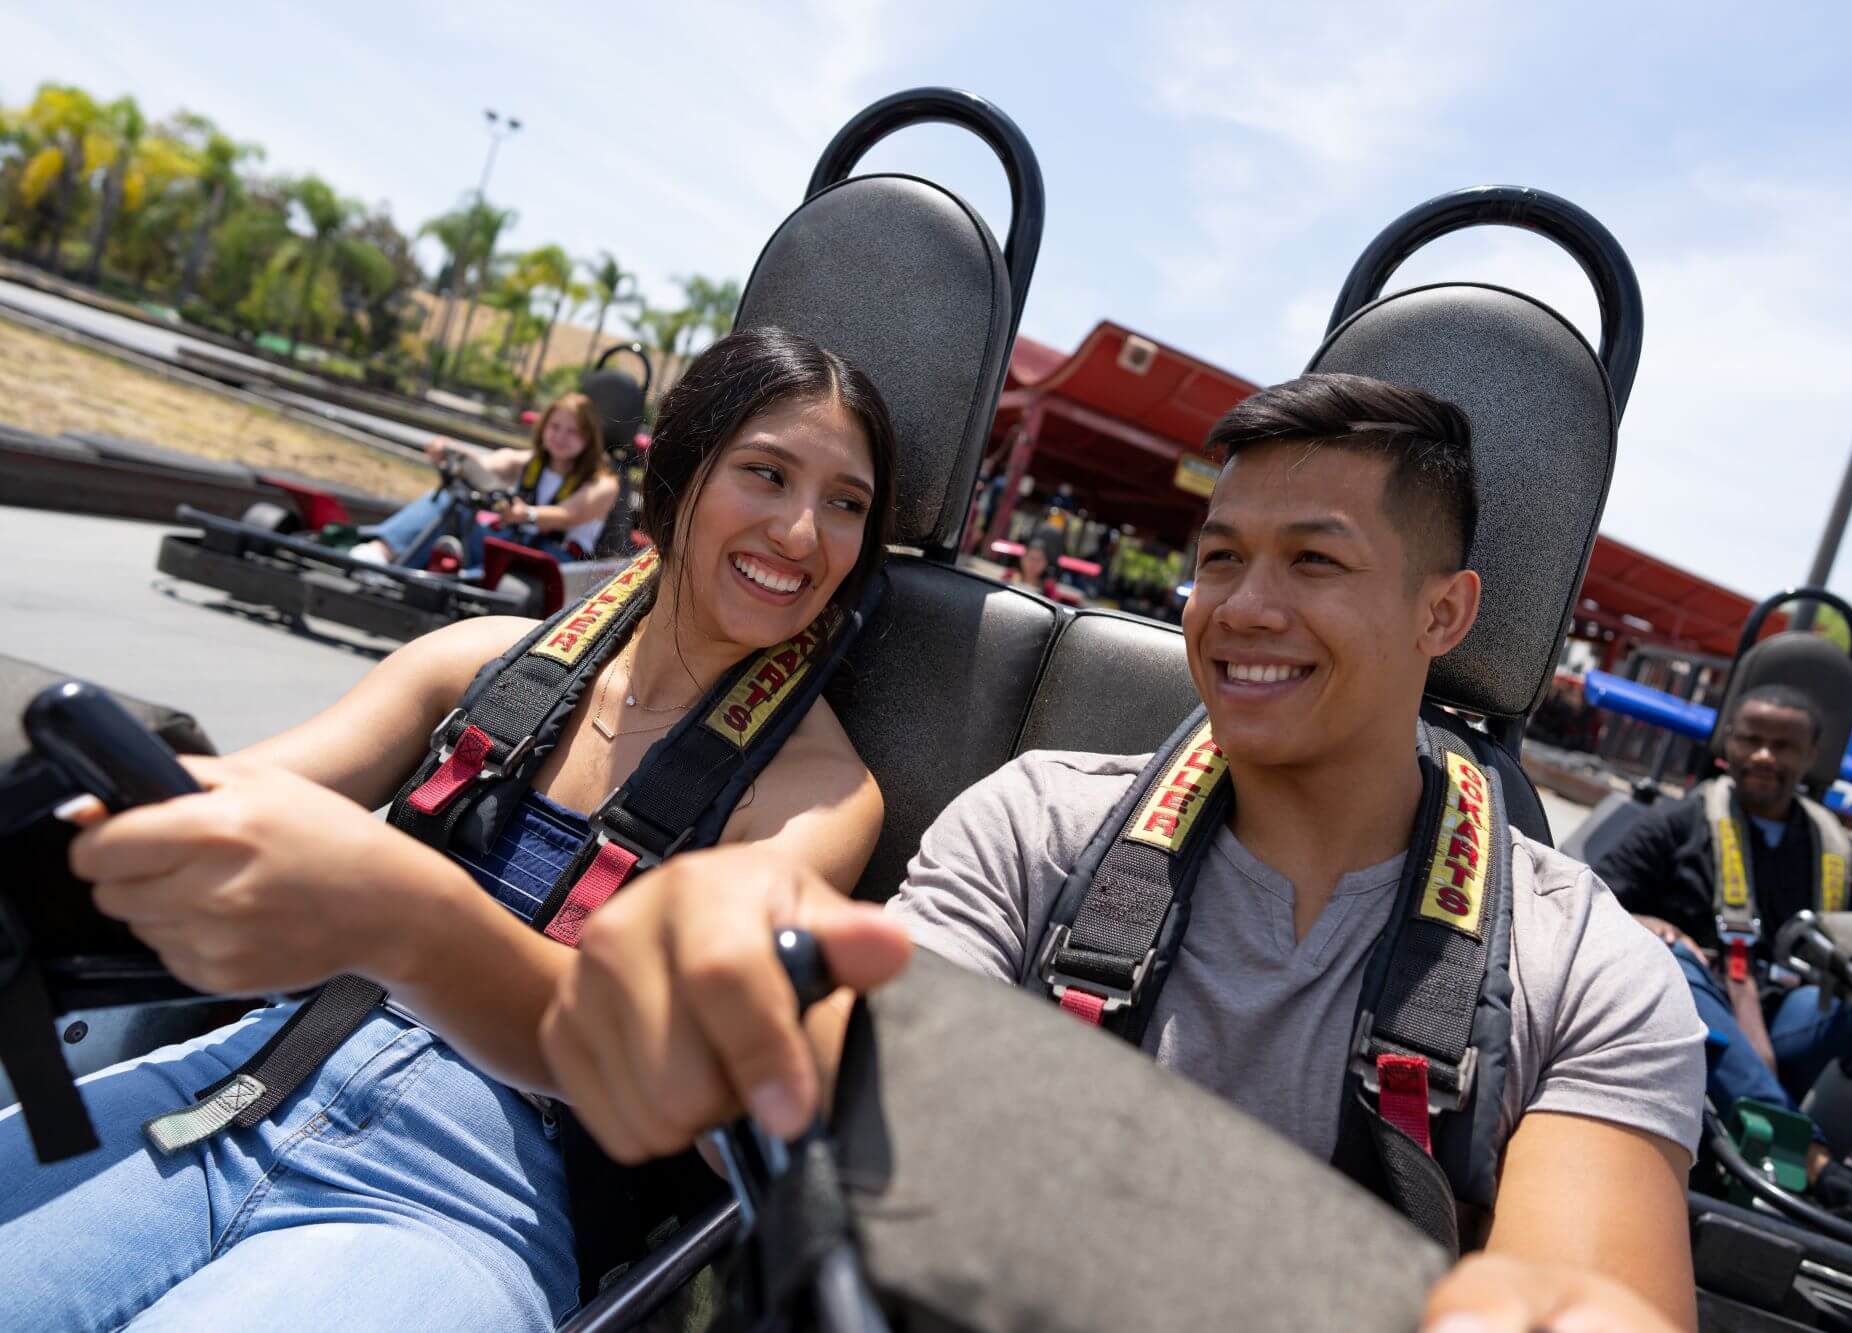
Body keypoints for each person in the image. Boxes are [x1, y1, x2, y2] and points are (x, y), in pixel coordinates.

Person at [538, 373, 1710, 1331]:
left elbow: (1591, 1299)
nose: (1242, 606)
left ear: (1443, 616)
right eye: (1218, 558)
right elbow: (861, 1094)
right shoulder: (1037, 826)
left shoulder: (1583, 973)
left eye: (1313, 562)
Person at [0, 328, 898, 1331]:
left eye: (845, 503)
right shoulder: (478, 658)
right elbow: (229, 798)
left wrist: (401, 911)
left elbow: (657, 1051)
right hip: (241, 1085)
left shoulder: (818, 796)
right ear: (678, 477)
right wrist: (77, 802)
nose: (801, 532)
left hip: (464, 1206)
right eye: (766, 475)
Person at [1595, 685, 1852, 1257]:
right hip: (1700, 1023)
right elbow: (1587, 900)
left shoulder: (1842, 853)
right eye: (1752, 741)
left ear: (1811, 756)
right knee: (1669, 964)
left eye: (1783, 746)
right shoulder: (1675, 826)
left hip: (1799, 1024)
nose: (1765, 756)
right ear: (1728, 743)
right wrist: (1650, 925)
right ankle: (1815, 1168)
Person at [350, 391, 622, 569]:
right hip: (516, 544)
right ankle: (382, 554)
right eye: (555, 427)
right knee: (453, 501)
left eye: (572, 432)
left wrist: (524, 514)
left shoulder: (602, 483)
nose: (560, 437)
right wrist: (452, 454)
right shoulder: (529, 462)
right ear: (543, 428)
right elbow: (485, 465)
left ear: (589, 439)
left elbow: (566, 515)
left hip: (556, 563)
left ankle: (400, 568)